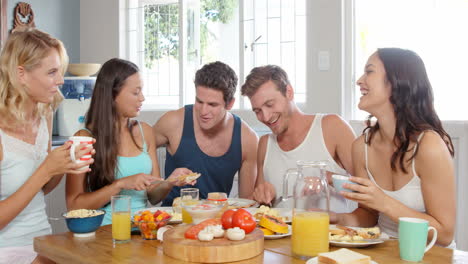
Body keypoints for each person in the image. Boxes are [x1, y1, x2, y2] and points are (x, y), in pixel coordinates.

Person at [334, 48, 455, 247]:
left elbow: (444, 234)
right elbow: (368, 215)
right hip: (385, 253)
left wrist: (384, 202)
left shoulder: (429, 146)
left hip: (430, 256)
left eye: (369, 71)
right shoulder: (361, 147)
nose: (359, 81)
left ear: (396, 82)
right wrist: (338, 219)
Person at [0, 28, 94, 263]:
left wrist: (63, 163)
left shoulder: (44, 115)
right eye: (52, 72)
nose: (61, 80)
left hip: (43, 242)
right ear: (21, 74)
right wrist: (46, 169)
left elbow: (43, 188)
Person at [66, 58, 193, 225]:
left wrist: (170, 182)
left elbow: (153, 197)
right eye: (135, 92)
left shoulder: (145, 131)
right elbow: (74, 207)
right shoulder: (85, 139)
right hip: (103, 232)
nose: (142, 98)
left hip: (142, 230)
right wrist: (119, 185)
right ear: (112, 95)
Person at [241, 65, 357, 212]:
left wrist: (326, 178)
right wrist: (263, 196)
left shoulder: (332, 127)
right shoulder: (265, 144)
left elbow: (367, 189)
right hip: (283, 234)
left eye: (270, 104)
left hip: (330, 233)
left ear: (289, 92)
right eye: (257, 111)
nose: (265, 117)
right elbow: (262, 207)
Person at [153, 61, 258, 206]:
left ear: (230, 104)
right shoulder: (173, 122)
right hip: (171, 222)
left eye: (212, 105)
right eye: (199, 101)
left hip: (215, 225)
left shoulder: (247, 139)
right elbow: (138, 149)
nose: (203, 111)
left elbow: (247, 204)